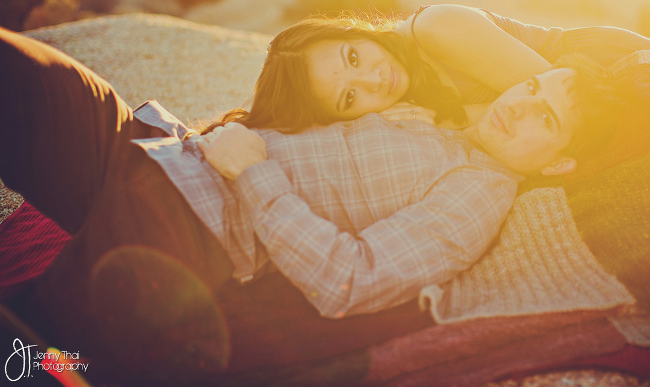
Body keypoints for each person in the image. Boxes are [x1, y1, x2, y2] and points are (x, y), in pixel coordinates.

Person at [0, 25, 616, 383]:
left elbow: (348, 280)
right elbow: (443, 22)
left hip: (183, 230)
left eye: (547, 118)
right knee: (20, 74)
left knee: (27, 351)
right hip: (149, 150)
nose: (521, 104)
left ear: (560, 161)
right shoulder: (446, 108)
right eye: (532, 86)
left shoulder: (477, 196)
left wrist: (255, 175)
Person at [207, 4, 650, 133]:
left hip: (599, 68)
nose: (373, 79)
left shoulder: (436, 29)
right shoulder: (394, 106)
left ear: (354, 31)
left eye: (353, 56)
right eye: (350, 97)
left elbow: (563, 98)